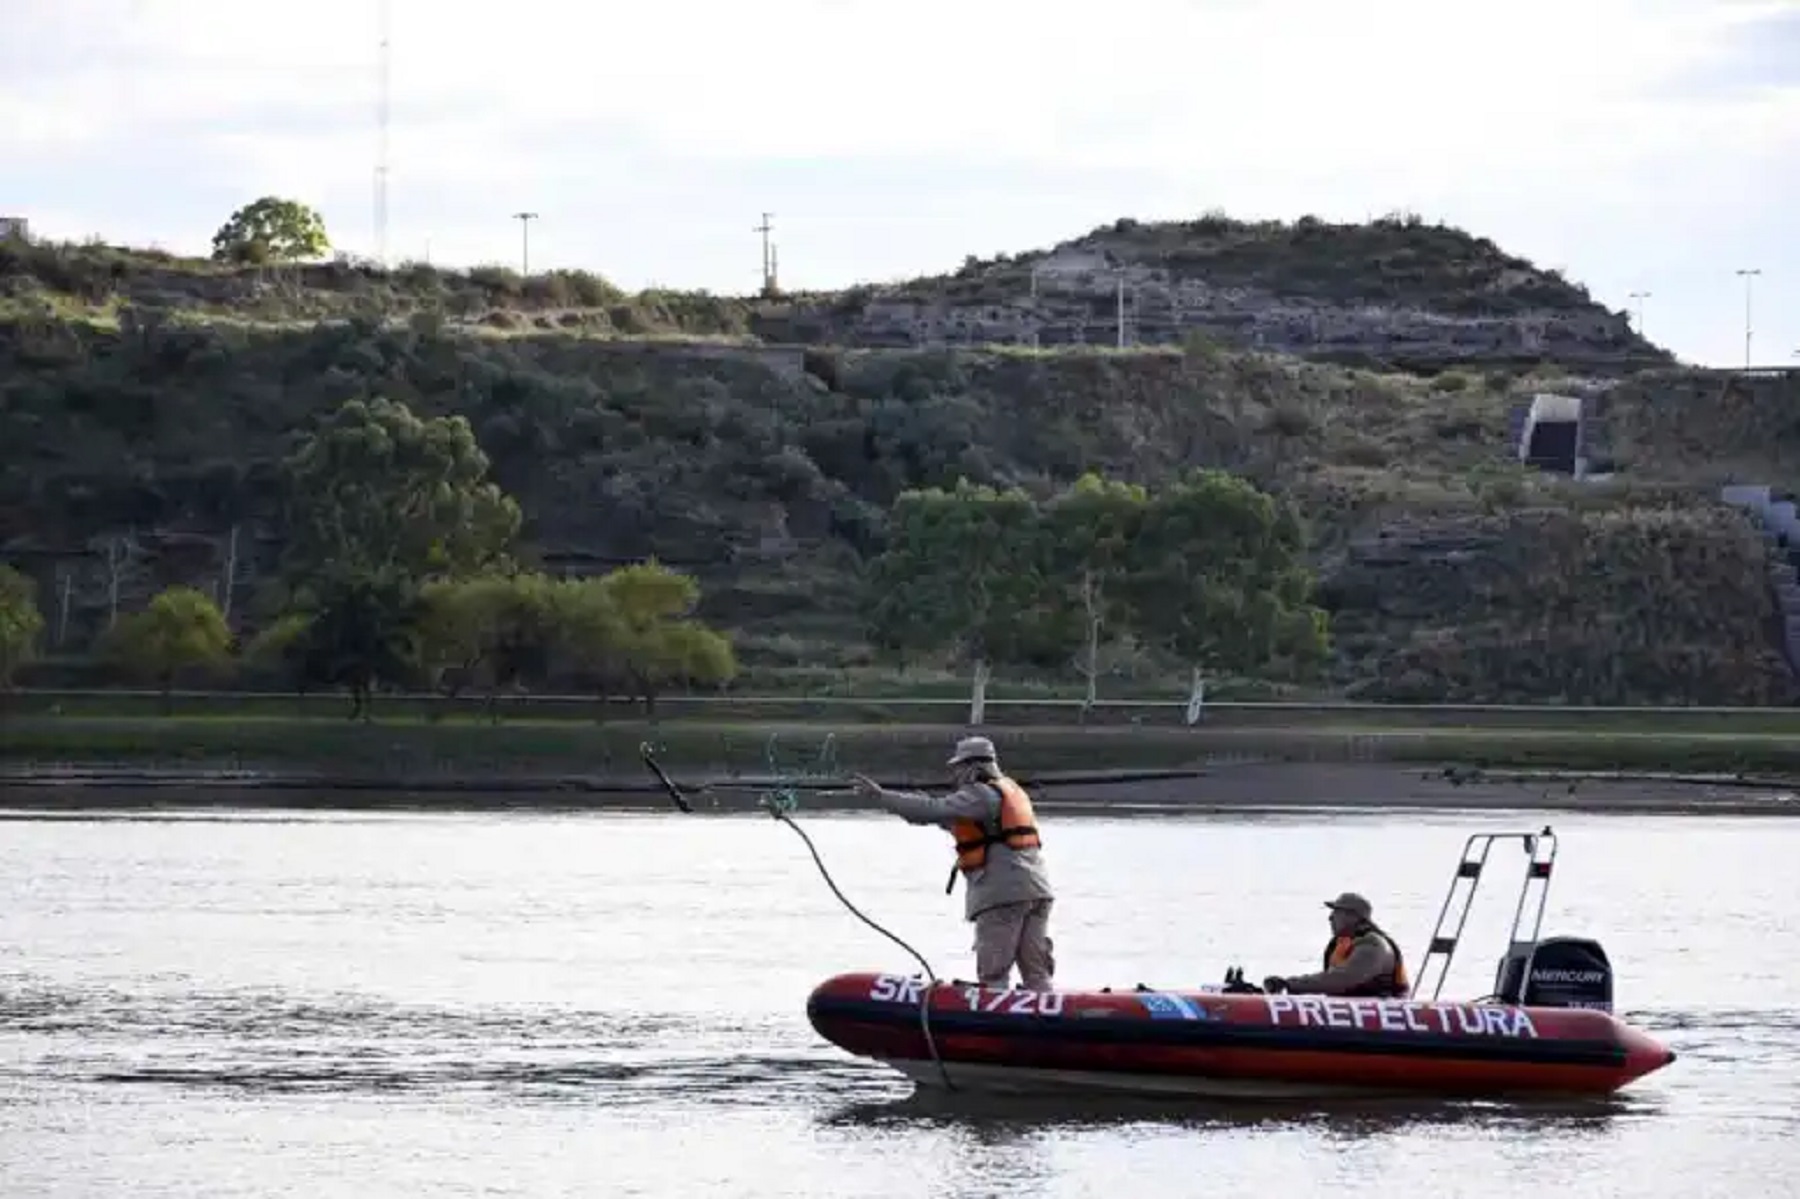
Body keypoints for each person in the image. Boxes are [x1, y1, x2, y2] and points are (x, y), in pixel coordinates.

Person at [850, 736, 1055, 992]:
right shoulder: (1008, 791)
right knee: (1036, 970)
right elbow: (933, 816)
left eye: (959, 767)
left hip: (1003, 895)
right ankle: (1047, 1019)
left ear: (973, 766)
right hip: (1038, 890)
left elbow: (933, 810)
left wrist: (881, 796)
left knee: (994, 970)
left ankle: (991, 1021)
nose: (955, 773)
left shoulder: (979, 795)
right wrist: (910, 804)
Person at [1263, 891, 1410, 998]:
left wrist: (1290, 984)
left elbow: (1343, 979)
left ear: (1353, 916)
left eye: (1337, 912)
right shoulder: (1344, 944)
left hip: (1378, 1019)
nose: (1330, 918)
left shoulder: (1373, 945)